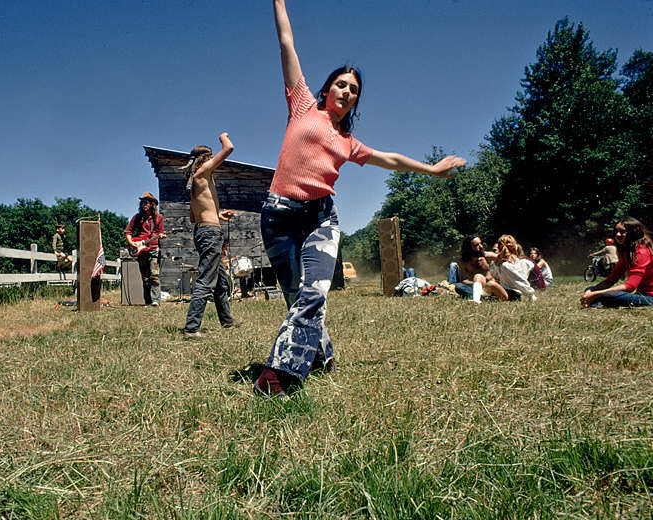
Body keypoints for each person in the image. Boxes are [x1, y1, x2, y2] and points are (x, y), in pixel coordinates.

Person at [254, 0, 466, 397]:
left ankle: (277, 376)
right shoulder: (301, 106)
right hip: (278, 214)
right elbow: (287, 43)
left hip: (320, 217)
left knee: (314, 293)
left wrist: (431, 169)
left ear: (354, 101)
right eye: (341, 84)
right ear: (326, 88)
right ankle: (323, 353)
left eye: (354, 90)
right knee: (295, 297)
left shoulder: (347, 142)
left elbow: (389, 159)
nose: (347, 91)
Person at [181, 133, 242, 338]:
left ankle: (227, 320)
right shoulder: (202, 172)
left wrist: (218, 214)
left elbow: (193, 217)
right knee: (206, 280)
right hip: (210, 233)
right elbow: (229, 148)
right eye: (211, 157)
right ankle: (192, 328)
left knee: (221, 282)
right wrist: (223, 136)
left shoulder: (195, 183)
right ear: (205, 158)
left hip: (203, 230)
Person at [581, 217, 653, 308]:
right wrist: (591, 292)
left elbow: (630, 287)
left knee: (608, 294)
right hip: (640, 294)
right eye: (616, 231)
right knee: (589, 289)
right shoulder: (626, 254)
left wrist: (596, 294)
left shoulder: (641, 253)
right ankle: (596, 302)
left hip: (649, 298)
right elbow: (610, 280)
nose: (617, 235)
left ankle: (596, 303)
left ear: (633, 233)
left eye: (622, 232)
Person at [124, 193, 166, 306]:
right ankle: (147, 302)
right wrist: (132, 243)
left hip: (154, 249)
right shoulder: (137, 217)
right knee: (145, 278)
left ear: (152, 204)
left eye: (146, 202)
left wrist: (161, 236)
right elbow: (128, 232)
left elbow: (161, 232)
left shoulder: (159, 218)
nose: (144, 205)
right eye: (142, 202)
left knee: (154, 275)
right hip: (141, 250)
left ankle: (156, 301)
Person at [447, 235, 507, 303]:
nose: (481, 246)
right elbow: (463, 280)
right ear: (469, 248)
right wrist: (476, 284)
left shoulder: (488, 256)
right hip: (472, 287)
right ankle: (480, 296)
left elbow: (504, 259)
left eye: (480, 243)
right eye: (476, 245)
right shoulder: (463, 262)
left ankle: (479, 296)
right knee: (457, 286)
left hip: (488, 286)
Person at [495, 235, 537, 301]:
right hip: (513, 292)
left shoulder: (505, 265)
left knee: (490, 284)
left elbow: (519, 280)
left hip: (510, 294)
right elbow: (531, 265)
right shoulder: (523, 262)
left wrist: (530, 294)